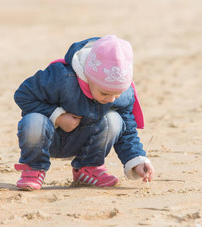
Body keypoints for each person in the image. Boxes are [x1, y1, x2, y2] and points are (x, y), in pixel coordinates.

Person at [13, 35, 155, 190]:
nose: (111, 99)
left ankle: (88, 167)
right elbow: (24, 95)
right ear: (89, 77)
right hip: (48, 138)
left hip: (84, 141)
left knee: (115, 120)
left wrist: (137, 160)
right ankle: (34, 168)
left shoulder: (123, 94)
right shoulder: (61, 77)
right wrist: (57, 117)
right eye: (104, 93)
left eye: (117, 94)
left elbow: (127, 131)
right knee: (33, 120)